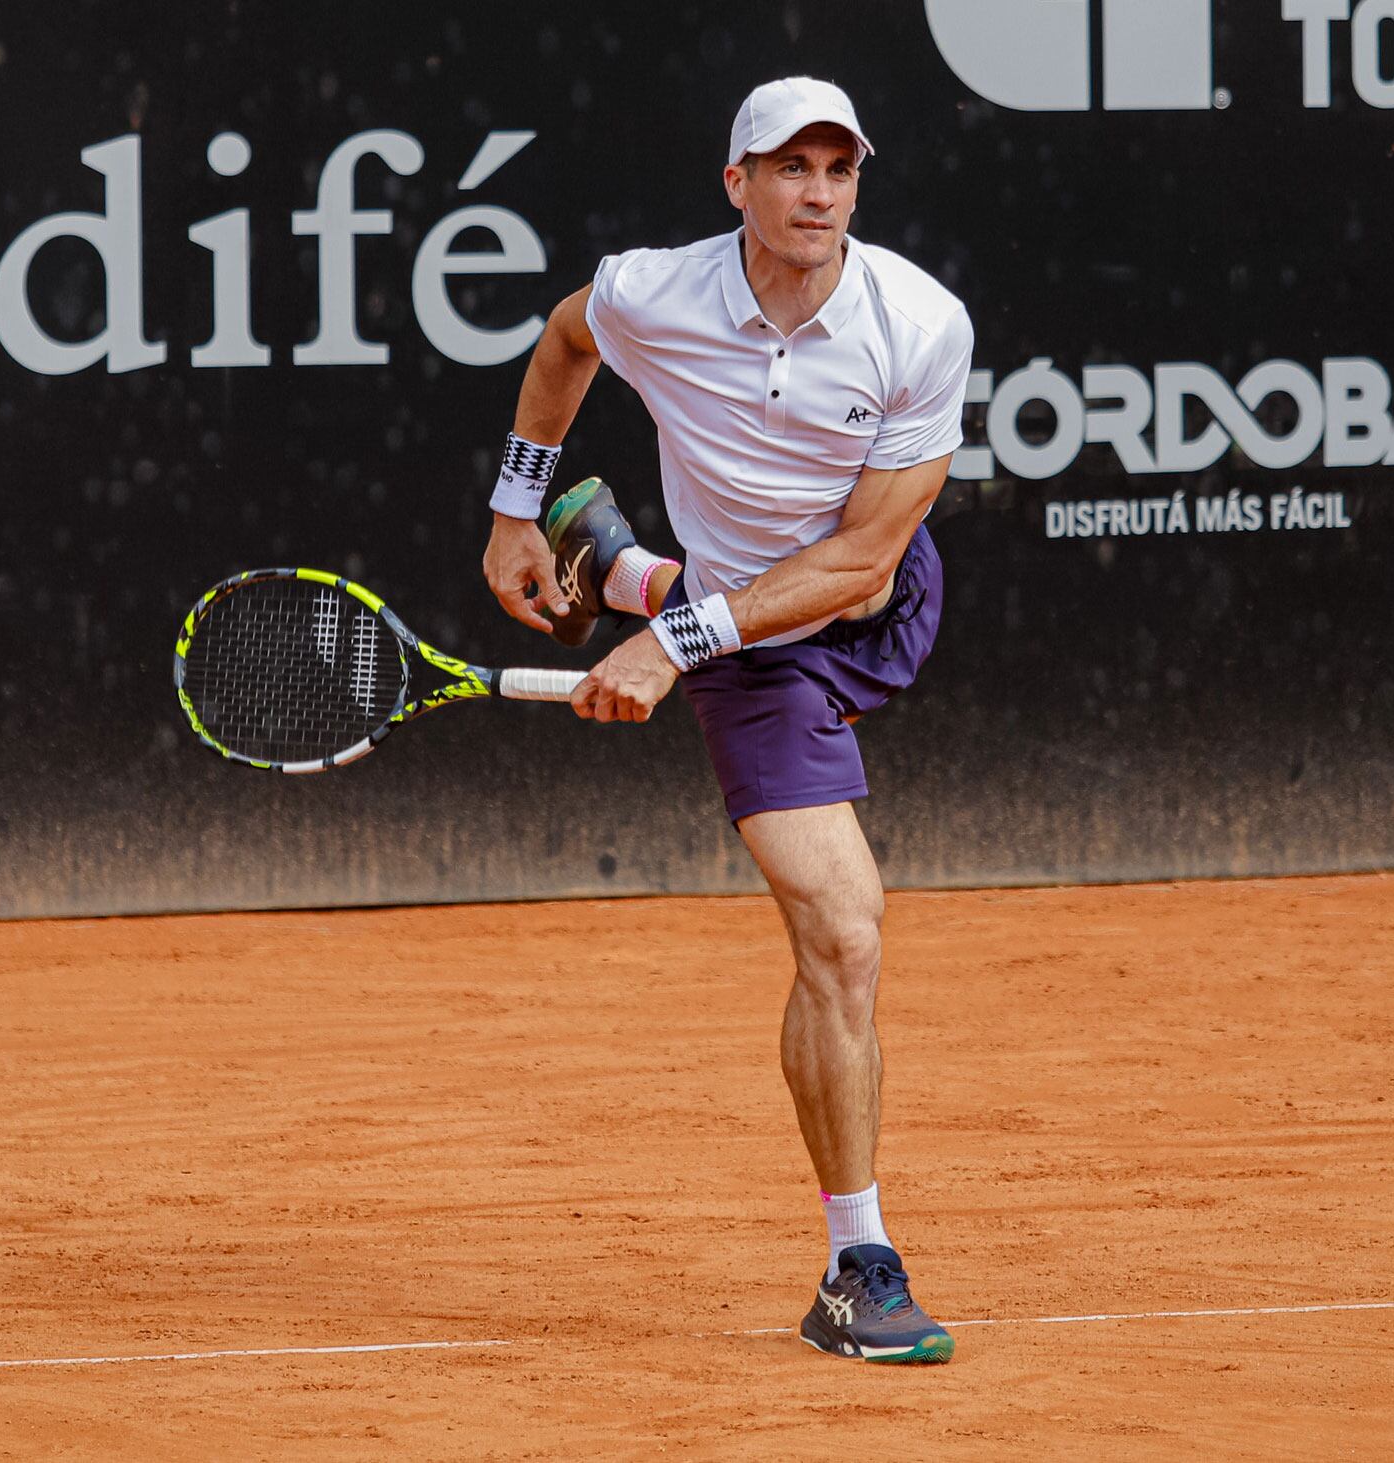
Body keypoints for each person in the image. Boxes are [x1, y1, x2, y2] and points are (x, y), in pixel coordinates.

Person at [479, 76, 974, 1365]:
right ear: (736, 184)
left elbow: (864, 562)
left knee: (739, 599)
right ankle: (856, 1264)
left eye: (838, 170)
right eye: (789, 169)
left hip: (873, 598)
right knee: (846, 937)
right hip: (757, 663)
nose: (817, 195)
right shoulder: (658, 291)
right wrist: (514, 508)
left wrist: (664, 637)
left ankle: (629, 572)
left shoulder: (919, 322)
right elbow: (566, 339)